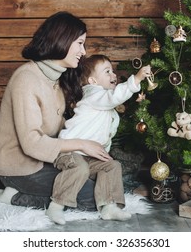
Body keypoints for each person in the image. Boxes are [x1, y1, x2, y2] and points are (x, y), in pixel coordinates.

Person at [0, 11, 113, 211]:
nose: (83, 51)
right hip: (19, 168)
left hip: (44, 160)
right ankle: (13, 197)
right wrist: (82, 144)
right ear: (63, 40)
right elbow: (31, 144)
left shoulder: (56, 78)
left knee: (106, 189)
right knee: (92, 197)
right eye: (80, 43)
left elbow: (58, 128)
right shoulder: (26, 79)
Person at [45, 54, 151, 225]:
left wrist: (104, 154)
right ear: (93, 81)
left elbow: (103, 133)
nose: (113, 75)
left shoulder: (104, 103)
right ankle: (56, 205)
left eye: (113, 71)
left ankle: (108, 206)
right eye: (107, 71)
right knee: (80, 169)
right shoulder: (93, 94)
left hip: (89, 156)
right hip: (68, 150)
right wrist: (136, 79)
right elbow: (114, 97)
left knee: (112, 166)